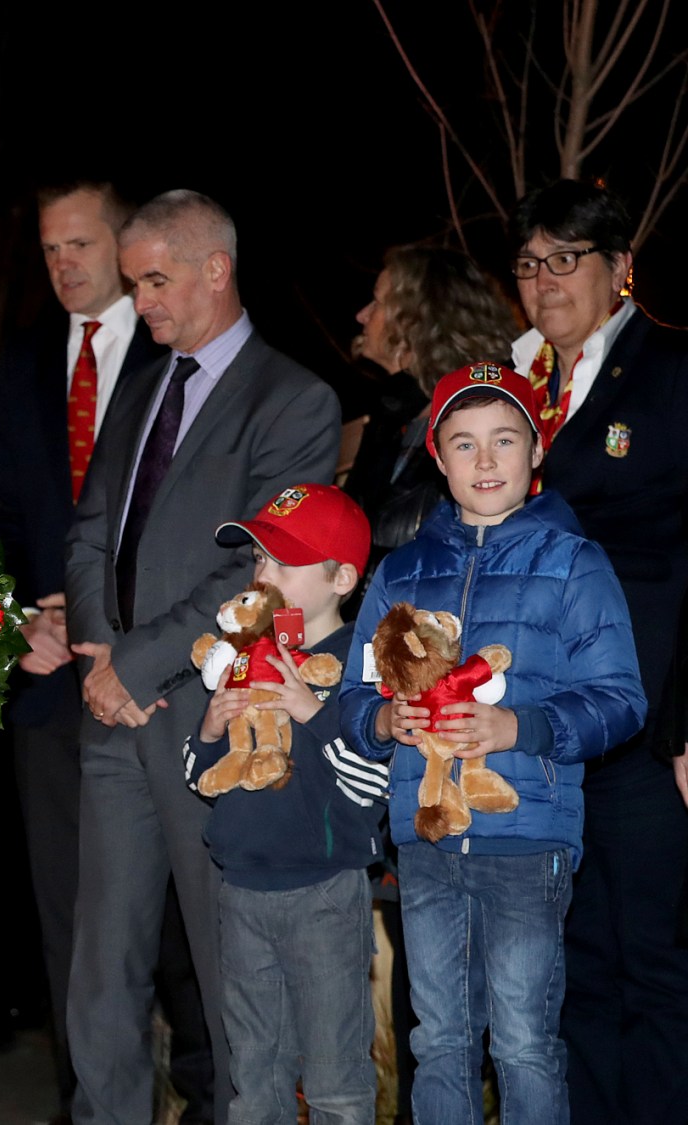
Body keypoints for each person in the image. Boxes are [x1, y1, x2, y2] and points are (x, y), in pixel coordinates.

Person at [61, 189, 340, 1125]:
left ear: (215, 269)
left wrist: (138, 668)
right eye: (134, 282)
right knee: (102, 962)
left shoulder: (294, 399)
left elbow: (256, 575)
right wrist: (101, 659)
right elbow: (91, 531)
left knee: (231, 962)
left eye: (154, 280)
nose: (138, 301)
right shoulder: (142, 386)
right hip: (114, 712)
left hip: (215, 718)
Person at [340, 361, 645, 1125]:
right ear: (437, 459)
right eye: (464, 443)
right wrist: (384, 722)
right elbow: (352, 697)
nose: (485, 460)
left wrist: (521, 726)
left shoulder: (574, 562)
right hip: (425, 840)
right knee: (438, 1038)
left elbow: (621, 699)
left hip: (527, 839)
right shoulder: (401, 571)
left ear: (536, 449)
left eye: (504, 439)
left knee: (523, 1041)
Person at [0, 180, 213, 1124]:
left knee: (179, 914)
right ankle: (88, 1099)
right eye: (48, 248)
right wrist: (15, 617)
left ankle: (208, 1093)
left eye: (79, 244)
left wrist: (133, 637)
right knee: (70, 914)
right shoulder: (26, 360)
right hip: (47, 683)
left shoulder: (177, 349)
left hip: (160, 677)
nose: (63, 264)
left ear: (124, 245)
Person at [504, 179, 688, 1125]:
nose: (544, 280)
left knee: (655, 962)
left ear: (620, 267)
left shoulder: (673, 370)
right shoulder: (508, 389)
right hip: (541, 732)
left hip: (650, 723)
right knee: (569, 971)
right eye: (529, 263)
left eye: (566, 258)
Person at [180, 483, 387, 1125]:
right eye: (258, 558)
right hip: (241, 888)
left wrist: (310, 711)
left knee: (335, 1082)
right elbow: (198, 778)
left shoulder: (362, 664)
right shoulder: (245, 657)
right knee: (254, 1079)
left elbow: (371, 785)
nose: (263, 575)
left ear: (342, 579)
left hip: (322, 892)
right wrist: (209, 730)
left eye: (284, 561)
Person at [343, 245, 517, 568]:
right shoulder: (392, 414)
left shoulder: (482, 413)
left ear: (416, 320)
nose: (362, 316)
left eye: (377, 302)